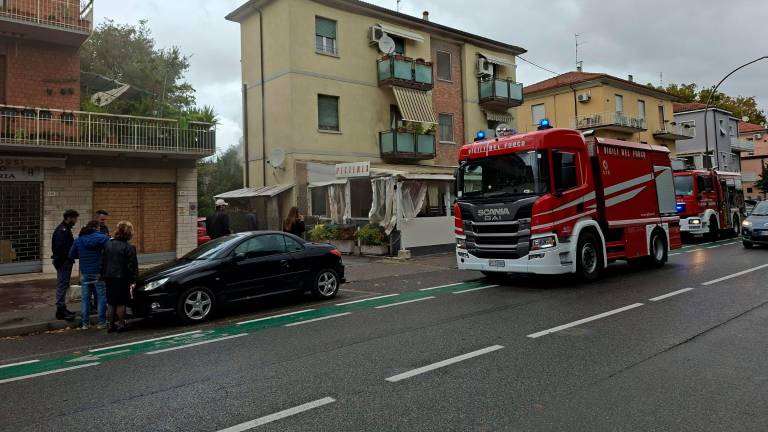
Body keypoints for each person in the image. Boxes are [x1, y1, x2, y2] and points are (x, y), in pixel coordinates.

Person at [69, 220, 109, 329]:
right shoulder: (103, 238)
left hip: (85, 272)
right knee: (101, 297)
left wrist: (82, 254)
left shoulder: (79, 240)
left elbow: (71, 255)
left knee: (85, 299)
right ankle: (102, 322)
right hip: (98, 272)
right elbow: (109, 251)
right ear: (96, 227)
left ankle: (85, 323)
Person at [101, 221, 138, 333]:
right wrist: (133, 279)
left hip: (109, 277)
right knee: (121, 303)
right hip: (122, 278)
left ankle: (110, 325)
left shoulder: (108, 244)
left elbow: (103, 261)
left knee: (111, 302)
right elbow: (131, 266)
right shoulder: (129, 247)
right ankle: (121, 324)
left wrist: (103, 274)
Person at [52, 209, 79, 321]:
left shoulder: (65, 229)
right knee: (62, 285)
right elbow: (60, 248)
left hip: (64, 261)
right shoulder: (62, 230)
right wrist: (67, 258)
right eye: (75, 218)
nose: (76, 221)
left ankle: (63, 308)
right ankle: (60, 311)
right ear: (69, 218)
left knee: (64, 284)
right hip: (63, 262)